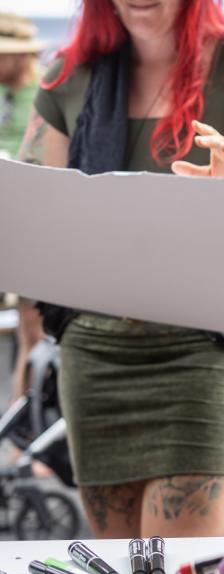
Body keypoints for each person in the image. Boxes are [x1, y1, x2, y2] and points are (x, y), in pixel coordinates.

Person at [17, 0, 224, 538]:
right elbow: (32, 211)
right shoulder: (66, 73)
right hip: (96, 358)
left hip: (211, 353)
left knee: (176, 572)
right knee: (123, 573)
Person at [0, 14, 45, 404]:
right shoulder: (7, 95)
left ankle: (32, 432)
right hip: (12, 226)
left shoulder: (46, 93)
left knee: (36, 331)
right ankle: (20, 431)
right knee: (25, 333)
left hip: (39, 229)